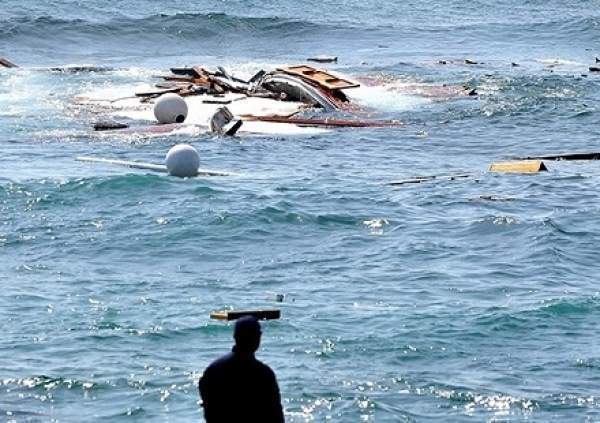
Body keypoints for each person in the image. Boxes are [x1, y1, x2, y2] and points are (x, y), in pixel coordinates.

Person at [199, 316, 284, 422]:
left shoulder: (213, 370)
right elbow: (276, 416)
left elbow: (208, 407)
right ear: (258, 338)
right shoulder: (263, 374)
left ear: (235, 336)